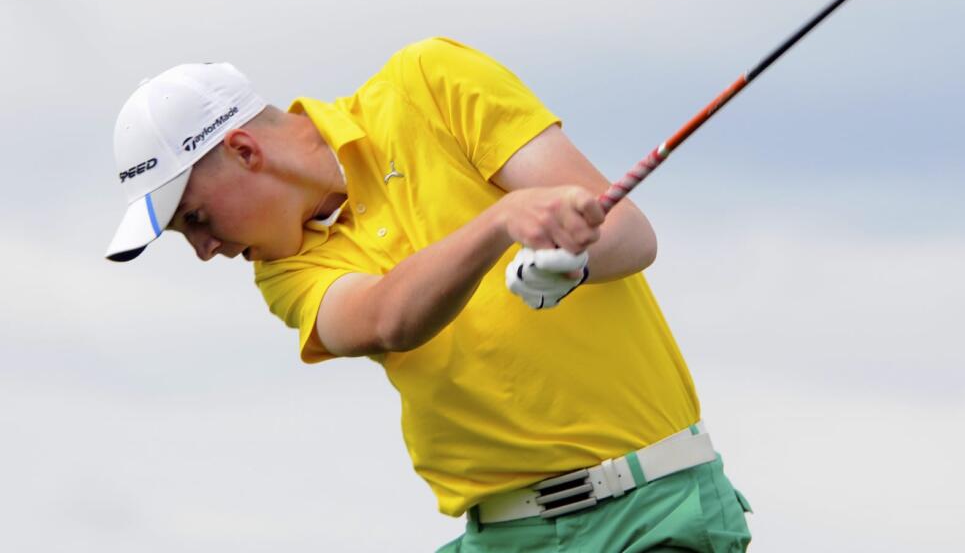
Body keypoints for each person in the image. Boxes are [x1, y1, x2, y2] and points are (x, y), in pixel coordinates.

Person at [105, 37, 752, 551]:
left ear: (244, 150)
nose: (203, 250)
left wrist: (571, 261)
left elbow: (629, 237)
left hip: (658, 511)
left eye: (196, 219)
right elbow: (389, 318)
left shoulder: (430, 84)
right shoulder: (281, 272)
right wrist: (501, 223)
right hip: (506, 538)